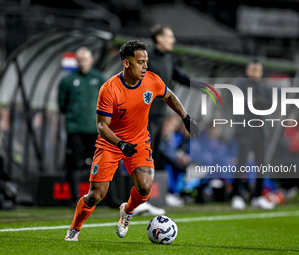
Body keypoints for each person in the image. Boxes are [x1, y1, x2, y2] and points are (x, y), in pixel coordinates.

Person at [64, 40, 199, 241]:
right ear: (127, 63)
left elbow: (169, 96)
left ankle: (127, 211)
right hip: (111, 143)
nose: (146, 66)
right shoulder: (109, 89)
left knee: (145, 186)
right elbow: (102, 126)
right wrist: (120, 143)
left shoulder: (152, 80)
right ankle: (75, 228)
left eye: (147, 62)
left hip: (139, 141)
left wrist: (186, 118)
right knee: (96, 195)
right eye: (141, 62)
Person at [58, 47, 106, 206]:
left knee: (103, 163)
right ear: (76, 61)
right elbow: (62, 105)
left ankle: (109, 198)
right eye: (80, 59)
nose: (83, 62)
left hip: (96, 129)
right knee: (74, 164)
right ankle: (74, 198)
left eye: (85, 59)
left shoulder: (99, 79)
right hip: (76, 129)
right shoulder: (68, 81)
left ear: (91, 60)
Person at [230, 61, 275, 210]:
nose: (256, 72)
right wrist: (257, 103)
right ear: (247, 70)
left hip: (260, 130)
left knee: (262, 163)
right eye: (253, 69)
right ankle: (236, 195)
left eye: (258, 70)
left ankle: (258, 196)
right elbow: (243, 102)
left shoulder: (263, 86)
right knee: (241, 162)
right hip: (245, 129)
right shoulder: (240, 85)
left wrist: (256, 101)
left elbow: (269, 104)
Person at [147, 24, 193, 167]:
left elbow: (181, 78)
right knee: (142, 157)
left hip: (160, 115)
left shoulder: (168, 59)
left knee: (153, 156)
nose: (173, 40)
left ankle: (145, 188)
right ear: (159, 38)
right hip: (144, 116)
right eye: (170, 37)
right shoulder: (146, 59)